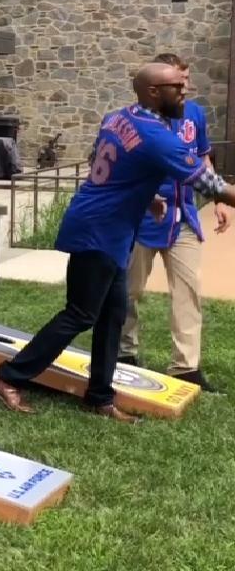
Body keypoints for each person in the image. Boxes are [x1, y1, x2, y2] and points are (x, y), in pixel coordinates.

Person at [0, 62, 235, 422]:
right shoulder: (158, 137)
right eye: (176, 87)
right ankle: (6, 376)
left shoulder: (119, 118)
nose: (184, 92)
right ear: (152, 92)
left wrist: (147, 197)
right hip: (98, 230)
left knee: (113, 315)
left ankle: (100, 396)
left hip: (114, 230)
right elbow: (211, 185)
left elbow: (114, 165)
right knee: (81, 313)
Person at [119, 53, 227, 391]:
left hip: (183, 216)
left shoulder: (194, 113)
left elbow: (203, 156)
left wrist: (218, 199)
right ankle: (124, 352)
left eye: (186, 82)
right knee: (128, 289)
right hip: (142, 216)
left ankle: (185, 367)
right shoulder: (135, 120)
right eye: (179, 82)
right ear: (159, 87)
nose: (186, 88)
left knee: (188, 291)